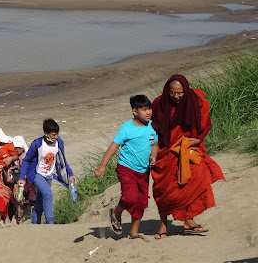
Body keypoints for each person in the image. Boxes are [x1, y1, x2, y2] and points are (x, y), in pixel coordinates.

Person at [150, 74, 225, 239]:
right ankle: (163, 225)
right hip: (165, 151)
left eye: (180, 93)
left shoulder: (195, 101)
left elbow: (207, 124)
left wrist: (198, 139)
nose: (176, 96)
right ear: (167, 91)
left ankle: (189, 221)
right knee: (163, 189)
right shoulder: (159, 103)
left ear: (186, 90)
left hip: (188, 149)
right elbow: (151, 125)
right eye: (172, 93)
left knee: (191, 182)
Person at [94, 95, 159, 241]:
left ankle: (134, 233)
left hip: (143, 170)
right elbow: (114, 146)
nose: (148, 112)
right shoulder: (126, 128)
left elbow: (155, 144)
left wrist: (153, 157)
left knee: (141, 203)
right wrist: (102, 165)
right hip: (126, 168)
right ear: (134, 112)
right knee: (130, 197)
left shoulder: (152, 126)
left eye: (149, 108)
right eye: (144, 109)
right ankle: (116, 212)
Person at [16, 119, 77, 225]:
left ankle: (34, 223)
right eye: (53, 135)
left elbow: (63, 160)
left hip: (49, 175)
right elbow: (26, 161)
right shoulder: (37, 144)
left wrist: (70, 174)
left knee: (40, 200)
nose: (56, 137)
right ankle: (50, 223)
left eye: (57, 134)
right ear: (46, 134)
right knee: (48, 194)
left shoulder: (59, 143)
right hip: (37, 175)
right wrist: (21, 178)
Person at [8, 135, 31, 224]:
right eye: (15, 148)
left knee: (22, 200)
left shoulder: (25, 158)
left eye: (19, 148)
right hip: (19, 184)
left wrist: (17, 186)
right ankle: (20, 219)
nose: (17, 150)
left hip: (26, 184)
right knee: (19, 200)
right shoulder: (13, 159)